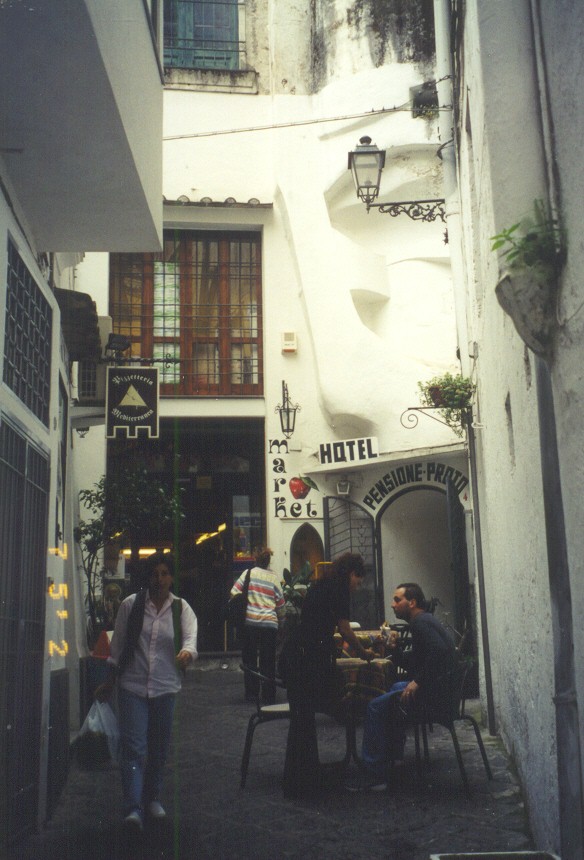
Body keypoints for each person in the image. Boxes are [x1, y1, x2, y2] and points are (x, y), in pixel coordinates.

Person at [95, 552, 198, 830]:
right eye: (155, 574)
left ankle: (152, 797)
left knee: (159, 748)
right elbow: (117, 648)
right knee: (134, 748)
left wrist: (187, 654)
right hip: (133, 686)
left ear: (171, 578)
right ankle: (133, 807)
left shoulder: (181, 609)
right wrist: (109, 681)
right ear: (148, 577)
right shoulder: (131, 605)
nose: (159, 579)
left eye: (165, 573)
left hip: (165, 687)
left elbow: (190, 640)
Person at [281, 552, 376, 799]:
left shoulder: (322, 583)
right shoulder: (339, 589)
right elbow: (344, 629)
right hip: (308, 657)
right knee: (318, 710)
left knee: (302, 718)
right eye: (358, 580)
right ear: (351, 574)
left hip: (296, 654)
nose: (357, 586)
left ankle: (301, 778)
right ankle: (307, 780)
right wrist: (363, 652)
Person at [347, 581, 456, 791]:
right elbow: (416, 664)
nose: (393, 604)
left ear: (412, 602)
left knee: (375, 707)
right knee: (396, 687)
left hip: (434, 698)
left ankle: (376, 775)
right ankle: (394, 759)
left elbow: (440, 652)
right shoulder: (425, 620)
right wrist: (394, 649)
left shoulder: (420, 623)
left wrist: (417, 682)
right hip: (442, 692)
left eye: (397, 600)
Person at [231, 547, 285, 704]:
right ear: (268, 562)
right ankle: (268, 694)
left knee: (250, 659)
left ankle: (252, 693)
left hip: (250, 623)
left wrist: (247, 601)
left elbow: (234, 592)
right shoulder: (274, 578)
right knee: (268, 661)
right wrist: (281, 622)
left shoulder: (248, 573)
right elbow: (281, 604)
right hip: (269, 625)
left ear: (255, 559)